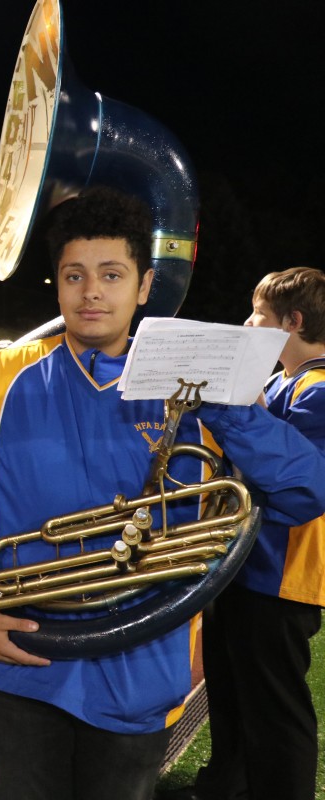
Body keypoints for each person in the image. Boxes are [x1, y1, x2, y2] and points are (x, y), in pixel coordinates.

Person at [0, 187, 325, 800]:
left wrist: (224, 407)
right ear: (58, 285)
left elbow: (306, 492)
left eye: (112, 274)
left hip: (141, 669)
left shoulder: (195, 387)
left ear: (145, 286)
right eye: (75, 275)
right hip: (23, 667)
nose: (92, 291)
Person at [167, 267, 325, 800]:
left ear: (291, 321)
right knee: (232, 697)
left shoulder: (321, 390)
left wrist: (231, 405)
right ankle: (224, 787)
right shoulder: (285, 381)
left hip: (282, 577)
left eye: (257, 313)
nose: (246, 321)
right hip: (242, 563)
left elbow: (291, 482)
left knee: (274, 711)